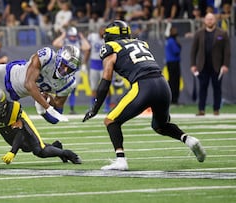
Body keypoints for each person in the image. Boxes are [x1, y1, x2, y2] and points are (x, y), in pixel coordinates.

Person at [82, 20, 206, 170]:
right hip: (163, 84)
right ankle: (189, 140)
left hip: (143, 85)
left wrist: (95, 108)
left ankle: (121, 161)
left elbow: (106, 81)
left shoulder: (111, 47)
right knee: (160, 125)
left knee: (111, 120)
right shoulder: (140, 43)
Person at [190, 12, 230, 116]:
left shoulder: (222, 33)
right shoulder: (199, 33)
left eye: (211, 19)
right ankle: (201, 109)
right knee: (202, 87)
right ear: (204, 21)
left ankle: (216, 109)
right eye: (208, 19)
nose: (209, 21)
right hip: (203, 65)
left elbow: (227, 51)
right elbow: (193, 50)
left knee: (217, 88)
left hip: (217, 66)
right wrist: (193, 64)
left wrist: (225, 65)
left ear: (215, 20)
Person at [52, 26, 90, 114]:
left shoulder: (79, 41)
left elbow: (87, 47)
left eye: (74, 36)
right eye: (71, 36)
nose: (73, 37)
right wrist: (63, 35)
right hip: (65, 69)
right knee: (60, 88)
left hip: (76, 68)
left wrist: (82, 37)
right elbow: (55, 43)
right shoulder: (65, 41)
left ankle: (72, 109)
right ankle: (56, 107)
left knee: (73, 88)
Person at [165, 25, 181, 105]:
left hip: (170, 62)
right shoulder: (172, 41)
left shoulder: (168, 40)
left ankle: (172, 99)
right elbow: (176, 51)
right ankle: (174, 99)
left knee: (172, 80)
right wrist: (179, 46)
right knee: (175, 81)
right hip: (174, 62)